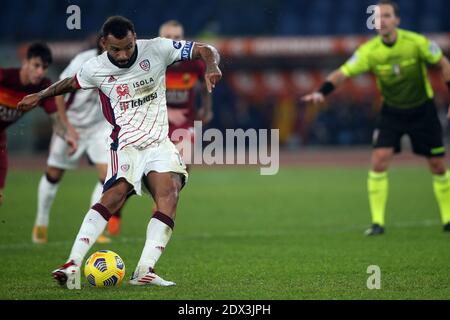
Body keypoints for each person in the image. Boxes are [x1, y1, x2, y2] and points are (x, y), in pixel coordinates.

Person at [18, 15, 222, 287]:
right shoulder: (95, 68)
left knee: (170, 193)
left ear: (135, 37)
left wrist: (211, 65)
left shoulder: (158, 48)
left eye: (128, 46)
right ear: (104, 44)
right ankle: (72, 264)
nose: (124, 54)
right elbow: (69, 83)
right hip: (125, 144)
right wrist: (40, 96)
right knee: (113, 196)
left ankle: (144, 271)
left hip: (159, 143)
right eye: (116, 49)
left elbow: (205, 50)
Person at [302, 0, 450, 235]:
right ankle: (377, 223)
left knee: (438, 165)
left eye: (387, 15)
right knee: (379, 160)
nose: (382, 21)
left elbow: (444, 64)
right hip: (392, 111)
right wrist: (322, 92)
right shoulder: (369, 51)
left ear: (397, 20)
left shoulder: (416, 43)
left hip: (423, 110)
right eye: (378, 17)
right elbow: (343, 72)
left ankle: (448, 219)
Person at [106, 20, 214, 236]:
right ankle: (117, 211)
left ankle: (162, 203)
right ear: (160, 38)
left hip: (184, 121)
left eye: (177, 37)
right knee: (134, 174)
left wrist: (207, 108)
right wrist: (166, 110)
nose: (173, 41)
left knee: (186, 158)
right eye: (169, 37)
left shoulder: (193, 63)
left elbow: (203, 86)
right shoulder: (149, 61)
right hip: (151, 122)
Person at [32, 38, 113, 244]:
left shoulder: (119, 62)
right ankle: (41, 222)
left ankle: (94, 227)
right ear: (102, 44)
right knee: (54, 174)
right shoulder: (82, 61)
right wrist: (67, 127)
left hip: (99, 127)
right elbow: (59, 90)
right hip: (73, 123)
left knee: (108, 176)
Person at [0, 42, 74, 206]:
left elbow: (56, 119)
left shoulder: (41, 88)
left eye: (44, 67)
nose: (40, 71)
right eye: (36, 65)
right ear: (25, 62)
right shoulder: (4, 77)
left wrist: (67, 136)